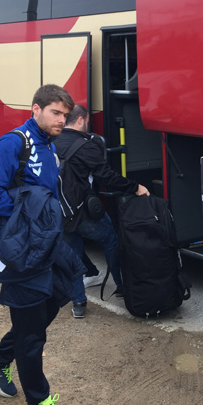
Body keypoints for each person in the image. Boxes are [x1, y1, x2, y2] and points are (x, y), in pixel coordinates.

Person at [0, 84, 80, 405]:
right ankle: (38, 403)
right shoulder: (14, 142)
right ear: (36, 109)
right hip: (22, 249)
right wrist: (26, 221)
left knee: (60, 294)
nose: (62, 120)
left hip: (48, 244)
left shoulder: (51, 146)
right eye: (55, 112)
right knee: (32, 331)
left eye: (65, 114)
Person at [54, 104, 149, 318]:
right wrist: (135, 187)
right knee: (111, 242)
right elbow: (106, 176)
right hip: (82, 210)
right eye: (86, 121)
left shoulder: (52, 141)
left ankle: (78, 303)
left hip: (60, 210)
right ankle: (122, 287)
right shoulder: (84, 145)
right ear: (80, 120)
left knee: (73, 254)